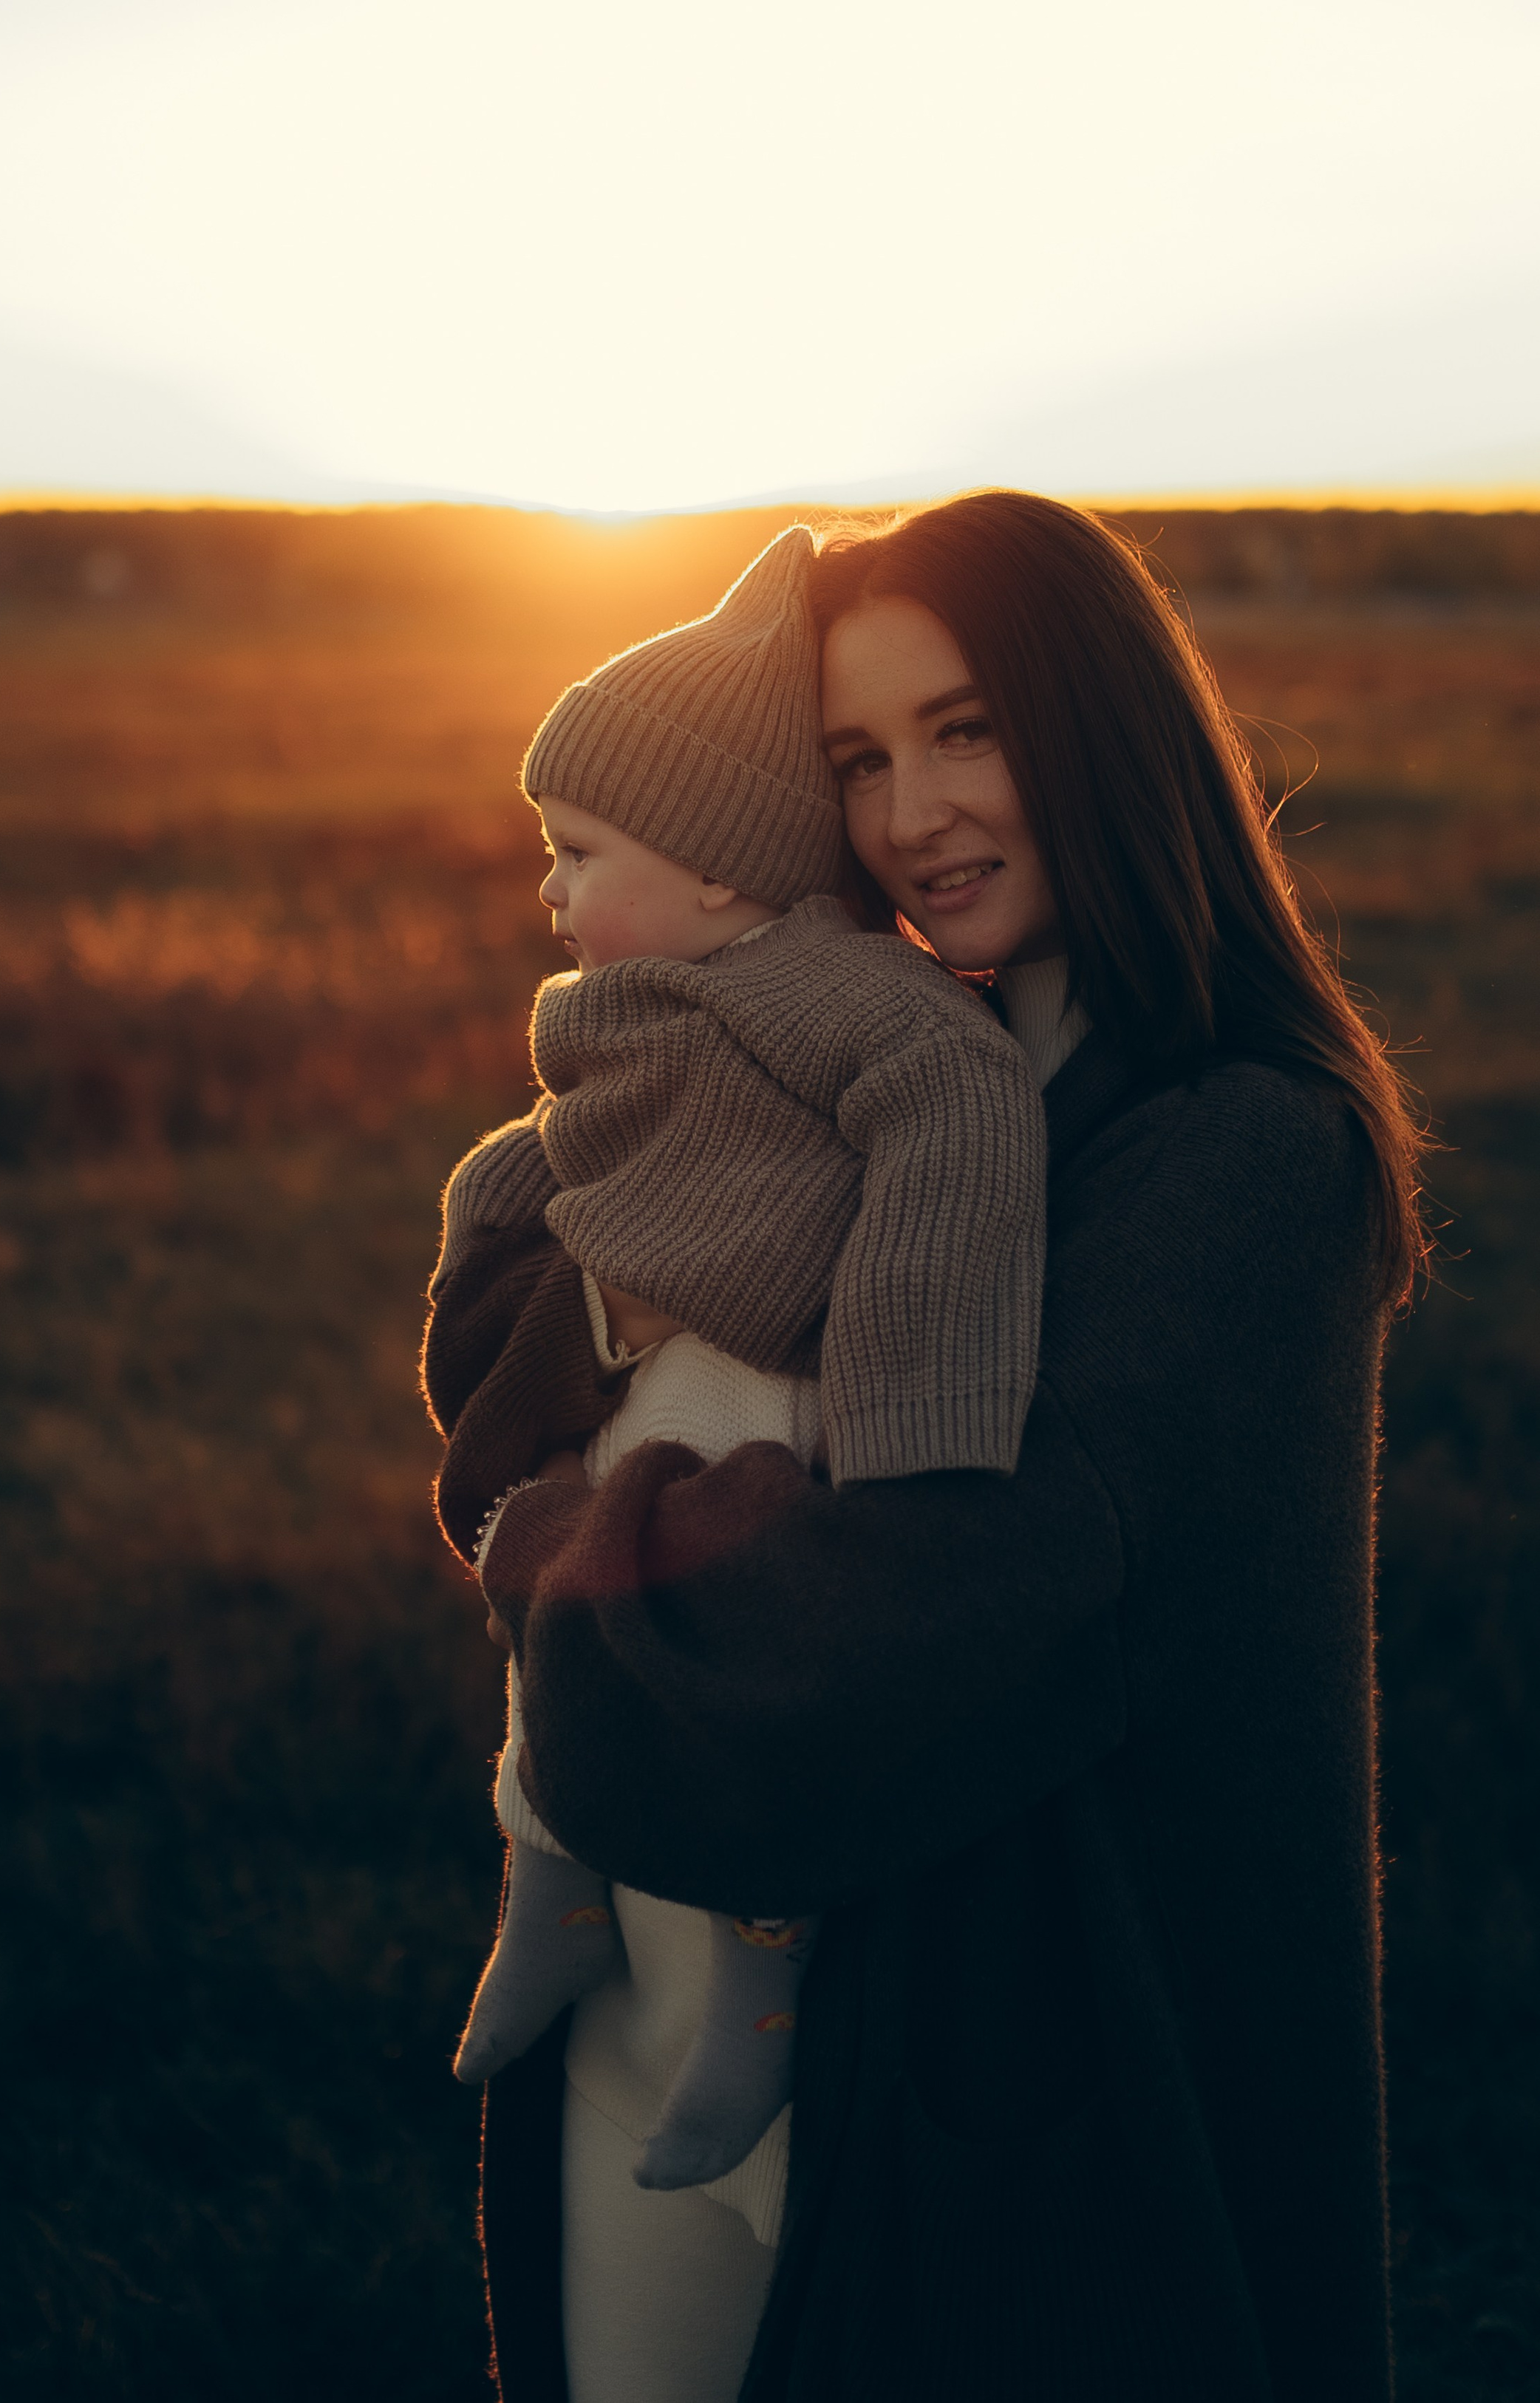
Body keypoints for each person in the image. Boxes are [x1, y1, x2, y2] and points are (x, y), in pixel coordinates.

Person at [436, 491, 1423, 2402]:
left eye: (967, 728)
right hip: (663, 2005)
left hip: (993, 2104)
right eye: (858, 759)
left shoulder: (1236, 1151)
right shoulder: (869, 1074)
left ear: (1104, 722)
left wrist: (559, 1540)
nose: (914, 815)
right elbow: (533, 1275)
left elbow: (908, 1626)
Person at [426, 530, 1047, 2232]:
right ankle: (548, 1867)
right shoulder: (640, 1001)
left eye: (577, 851)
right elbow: (558, 1148)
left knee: (759, 1693)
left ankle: (757, 2005)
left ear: (711, 870)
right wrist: (496, 1217)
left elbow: (956, 1123)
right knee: (559, 1606)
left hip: (789, 1389)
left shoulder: (848, 996)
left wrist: (911, 1422)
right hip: (654, 1374)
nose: (547, 893)